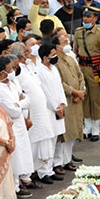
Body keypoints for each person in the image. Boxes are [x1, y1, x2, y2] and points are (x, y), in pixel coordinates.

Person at [0, 56, 32, 195]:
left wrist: (19, 103)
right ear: (2, 73)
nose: (13, 72)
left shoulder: (12, 83)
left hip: (20, 124)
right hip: (11, 126)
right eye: (9, 69)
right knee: (14, 157)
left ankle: (21, 181)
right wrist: (20, 103)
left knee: (22, 153)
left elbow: (26, 98)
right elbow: (13, 111)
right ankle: (14, 188)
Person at [18, 38, 56, 185]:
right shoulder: (19, 70)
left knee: (43, 140)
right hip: (31, 112)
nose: (28, 53)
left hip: (42, 110)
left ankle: (42, 170)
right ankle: (28, 174)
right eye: (26, 51)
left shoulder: (30, 66)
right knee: (32, 144)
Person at [34, 44, 66, 182]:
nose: (55, 56)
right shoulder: (39, 71)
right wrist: (55, 108)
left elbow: (59, 87)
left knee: (54, 140)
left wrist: (62, 104)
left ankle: (50, 168)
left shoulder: (54, 68)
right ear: (45, 57)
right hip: (48, 110)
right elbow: (45, 92)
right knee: (47, 141)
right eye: (52, 54)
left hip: (59, 108)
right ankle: (43, 171)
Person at [74, 7, 100, 142]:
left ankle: (96, 127)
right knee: (84, 97)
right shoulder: (78, 32)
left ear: (95, 18)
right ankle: (86, 126)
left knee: (95, 98)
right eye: (84, 16)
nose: (86, 19)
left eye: (89, 16)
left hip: (94, 69)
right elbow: (76, 50)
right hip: (82, 67)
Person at [52, 34, 85, 174]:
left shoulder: (71, 59)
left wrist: (81, 91)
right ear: (57, 46)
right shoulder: (55, 63)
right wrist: (74, 92)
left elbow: (80, 76)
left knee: (74, 131)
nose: (68, 43)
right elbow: (60, 83)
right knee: (64, 134)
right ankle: (58, 162)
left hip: (77, 101)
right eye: (64, 41)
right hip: (66, 101)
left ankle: (67, 160)